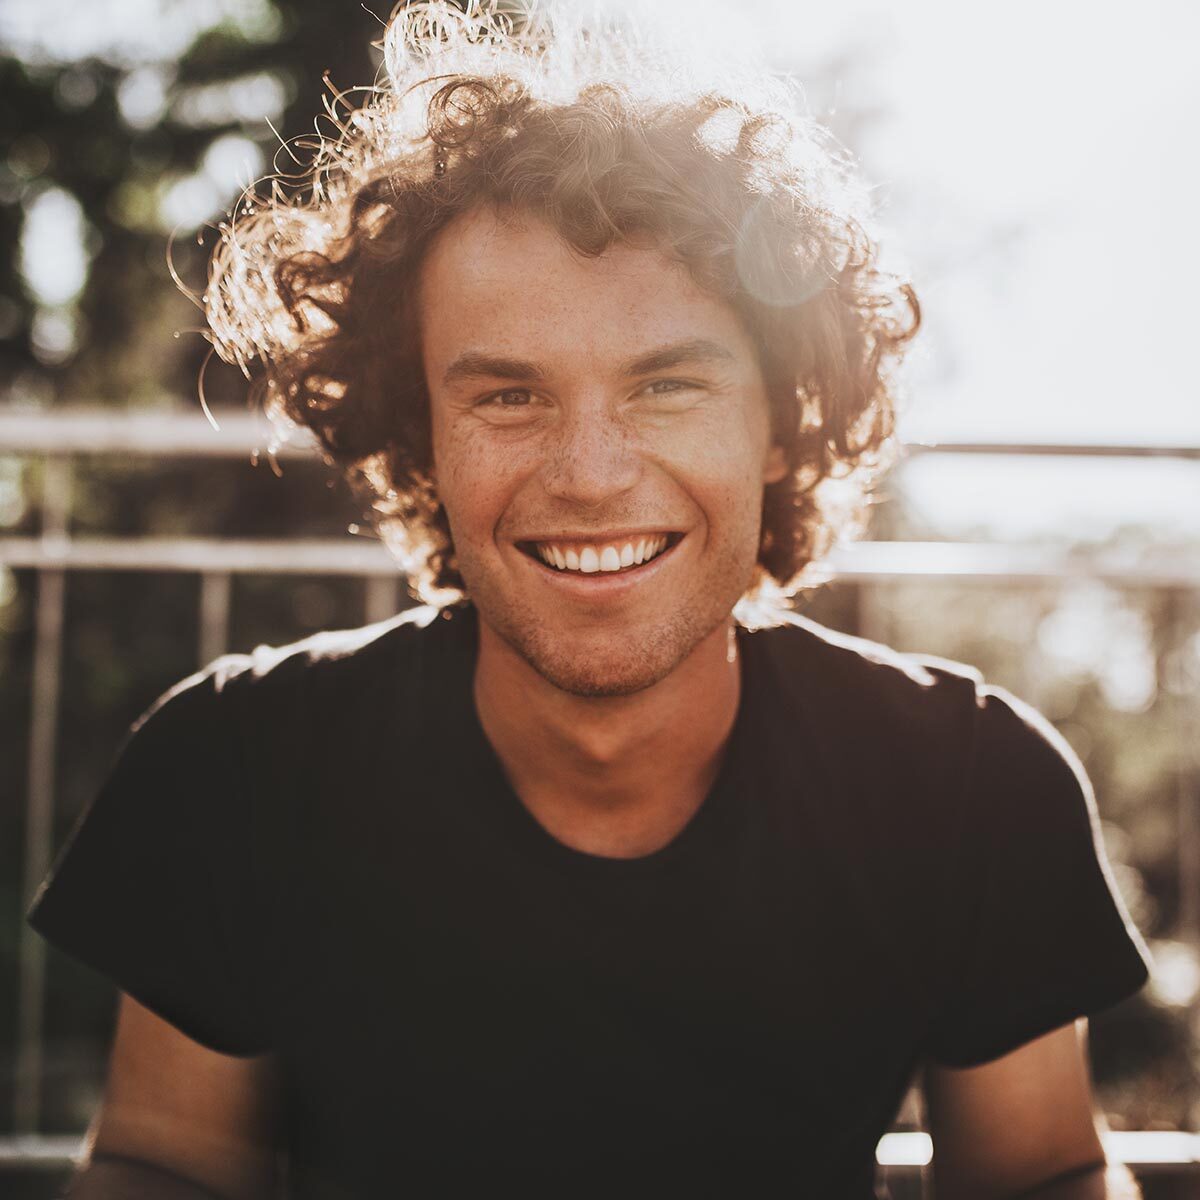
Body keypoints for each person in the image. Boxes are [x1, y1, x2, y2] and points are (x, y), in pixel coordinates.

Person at [27, 3, 1154, 1197]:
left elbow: (1042, 1175)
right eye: (508, 398)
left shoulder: (971, 779)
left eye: (668, 387)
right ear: (423, 436)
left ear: (783, 424)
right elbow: (163, 1165)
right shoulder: (235, 766)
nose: (591, 473)